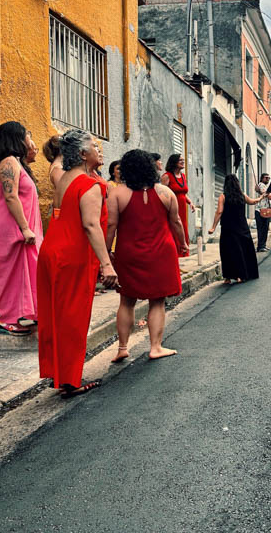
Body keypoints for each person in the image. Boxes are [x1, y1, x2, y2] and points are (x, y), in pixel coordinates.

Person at [37, 130, 117, 398]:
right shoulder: (89, 184)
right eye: (95, 146)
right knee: (73, 318)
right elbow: (91, 224)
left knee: (55, 316)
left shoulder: (64, 178)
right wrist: (107, 264)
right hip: (72, 256)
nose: (99, 149)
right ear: (83, 154)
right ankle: (70, 380)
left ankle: (58, 373)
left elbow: (58, 213)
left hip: (52, 251)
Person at [106, 149, 187, 363]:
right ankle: (155, 347)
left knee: (126, 301)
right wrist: (183, 243)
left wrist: (105, 254)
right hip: (161, 252)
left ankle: (123, 348)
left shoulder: (116, 193)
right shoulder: (165, 193)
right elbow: (176, 222)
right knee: (157, 302)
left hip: (128, 253)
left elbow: (111, 225)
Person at [0, 122, 43, 336]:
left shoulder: (16, 163)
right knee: (11, 270)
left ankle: (23, 315)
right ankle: (7, 320)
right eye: (27, 134)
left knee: (25, 269)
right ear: (15, 138)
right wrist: (25, 228)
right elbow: (10, 196)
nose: (29, 138)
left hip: (22, 225)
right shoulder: (8, 163)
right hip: (15, 226)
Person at [208, 174, 261, 284]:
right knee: (243, 250)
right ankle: (241, 276)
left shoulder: (223, 196)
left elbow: (219, 212)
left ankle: (228, 278)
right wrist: (261, 197)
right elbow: (253, 202)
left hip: (228, 228)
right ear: (237, 184)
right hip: (242, 227)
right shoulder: (242, 195)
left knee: (228, 252)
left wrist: (213, 227)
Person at [161, 154, 195, 257]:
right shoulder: (167, 176)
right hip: (171, 208)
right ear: (174, 162)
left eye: (183, 160)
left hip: (182, 208)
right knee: (173, 229)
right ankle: (172, 257)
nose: (182, 162)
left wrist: (190, 202)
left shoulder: (183, 176)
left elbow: (183, 193)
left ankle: (180, 256)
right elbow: (161, 192)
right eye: (180, 160)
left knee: (182, 229)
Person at [254, 172, 271, 252]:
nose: (268, 179)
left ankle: (263, 245)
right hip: (260, 210)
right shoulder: (261, 185)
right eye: (266, 177)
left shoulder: (264, 186)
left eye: (269, 178)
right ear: (262, 178)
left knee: (265, 229)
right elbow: (269, 195)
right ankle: (260, 246)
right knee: (261, 229)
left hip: (266, 210)